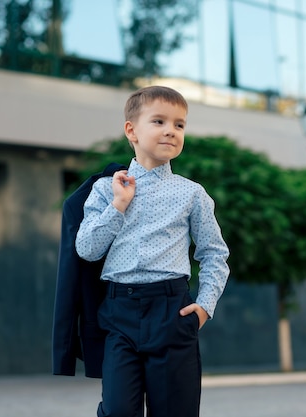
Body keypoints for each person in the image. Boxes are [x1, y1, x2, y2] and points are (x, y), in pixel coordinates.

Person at [75, 85, 230, 417]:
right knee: (117, 410)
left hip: (172, 313)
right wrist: (118, 205)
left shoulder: (193, 194)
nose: (171, 131)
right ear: (131, 130)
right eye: (159, 121)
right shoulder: (105, 189)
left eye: (179, 124)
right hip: (119, 313)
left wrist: (204, 306)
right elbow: (87, 249)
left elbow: (215, 253)